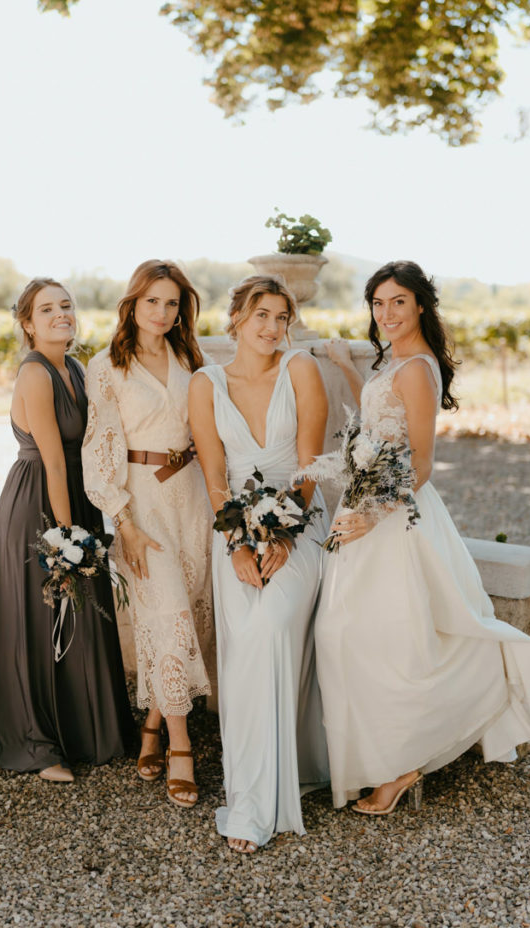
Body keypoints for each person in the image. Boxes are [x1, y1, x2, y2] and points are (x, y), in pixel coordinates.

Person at [317, 260, 530, 814]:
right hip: (366, 507)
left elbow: (421, 463)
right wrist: (346, 368)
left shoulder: (419, 370)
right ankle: (382, 758)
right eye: (378, 303)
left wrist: (373, 516)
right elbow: (383, 417)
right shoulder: (394, 361)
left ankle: (401, 764)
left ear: (420, 305)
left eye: (398, 301)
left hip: (393, 517)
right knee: (349, 634)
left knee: (390, 638)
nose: (386, 313)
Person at [189, 274, 330, 854]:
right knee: (245, 634)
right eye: (261, 315)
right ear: (237, 319)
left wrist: (285, 537)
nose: (272, 328)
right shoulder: (206, 384)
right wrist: (239, 545)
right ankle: (248, 797)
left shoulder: (301, 370)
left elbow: (308, 468)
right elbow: (214, 478)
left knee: (271, 624)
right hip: (234, 531)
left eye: (281, 317)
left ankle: (264, 796)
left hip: (300, 522)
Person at [0, 278, 136, 782]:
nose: (61, 314)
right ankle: (37, 743)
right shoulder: (35, 373)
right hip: (40, 505)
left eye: (66, 305)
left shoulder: (76, 368)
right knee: (40, 617)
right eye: (47, 309)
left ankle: (86, 731)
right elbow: (52, 460)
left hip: (75, 498)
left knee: (83, 614)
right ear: (27, 323)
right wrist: (67, 540)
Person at [82, 260, 214, 809]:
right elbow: (98, 447)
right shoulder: (106, 366)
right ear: (132, 304)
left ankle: (155, 724)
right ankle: (182, 748)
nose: (161, 312)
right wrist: (124, 523)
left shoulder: (191, 359)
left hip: (193, 498)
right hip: (141, 504)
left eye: (172, 303)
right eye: (152, 301)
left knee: (187, 615)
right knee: (167, 614)